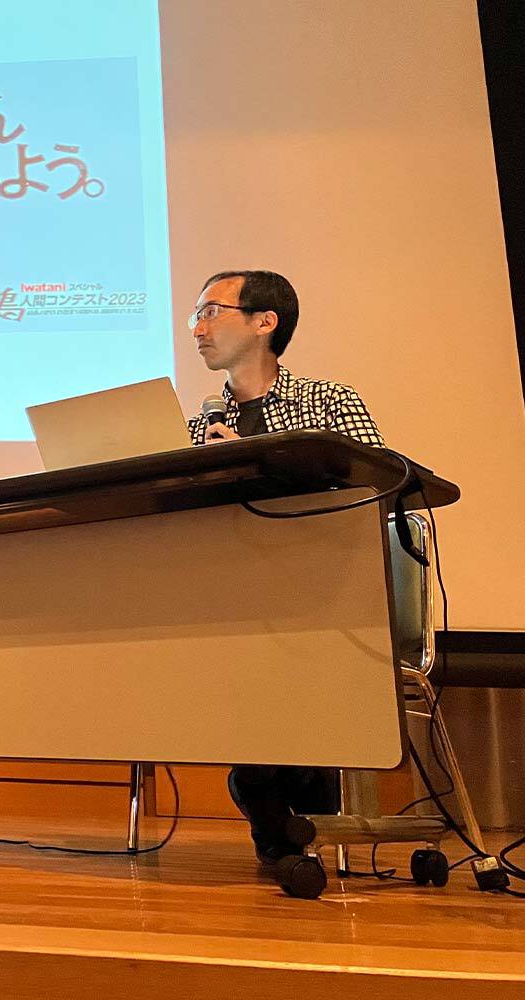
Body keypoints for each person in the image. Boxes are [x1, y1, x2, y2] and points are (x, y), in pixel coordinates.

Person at [186, 269, 384, 863]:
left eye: (211, 312)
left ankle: (286, 833)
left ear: (264, 322)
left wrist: (261, 465)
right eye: (195, 316)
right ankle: (291, 836)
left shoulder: (328, 402)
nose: (197, 329)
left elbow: (374, 490)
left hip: (322, 598)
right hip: (230, 606)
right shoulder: (198, 426)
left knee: (280, 726)